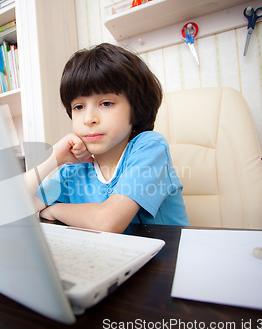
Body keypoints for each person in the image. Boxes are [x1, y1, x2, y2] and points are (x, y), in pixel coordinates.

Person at [24, 43, 189, 233]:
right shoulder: (74, 172)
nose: (89, 119)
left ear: (136, 109)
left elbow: (108, 221)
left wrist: (54, 210)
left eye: (106, 103)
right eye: (78, 107)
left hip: (165, 260)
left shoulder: (150, 147)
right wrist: (53, 158)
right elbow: (8, 209)